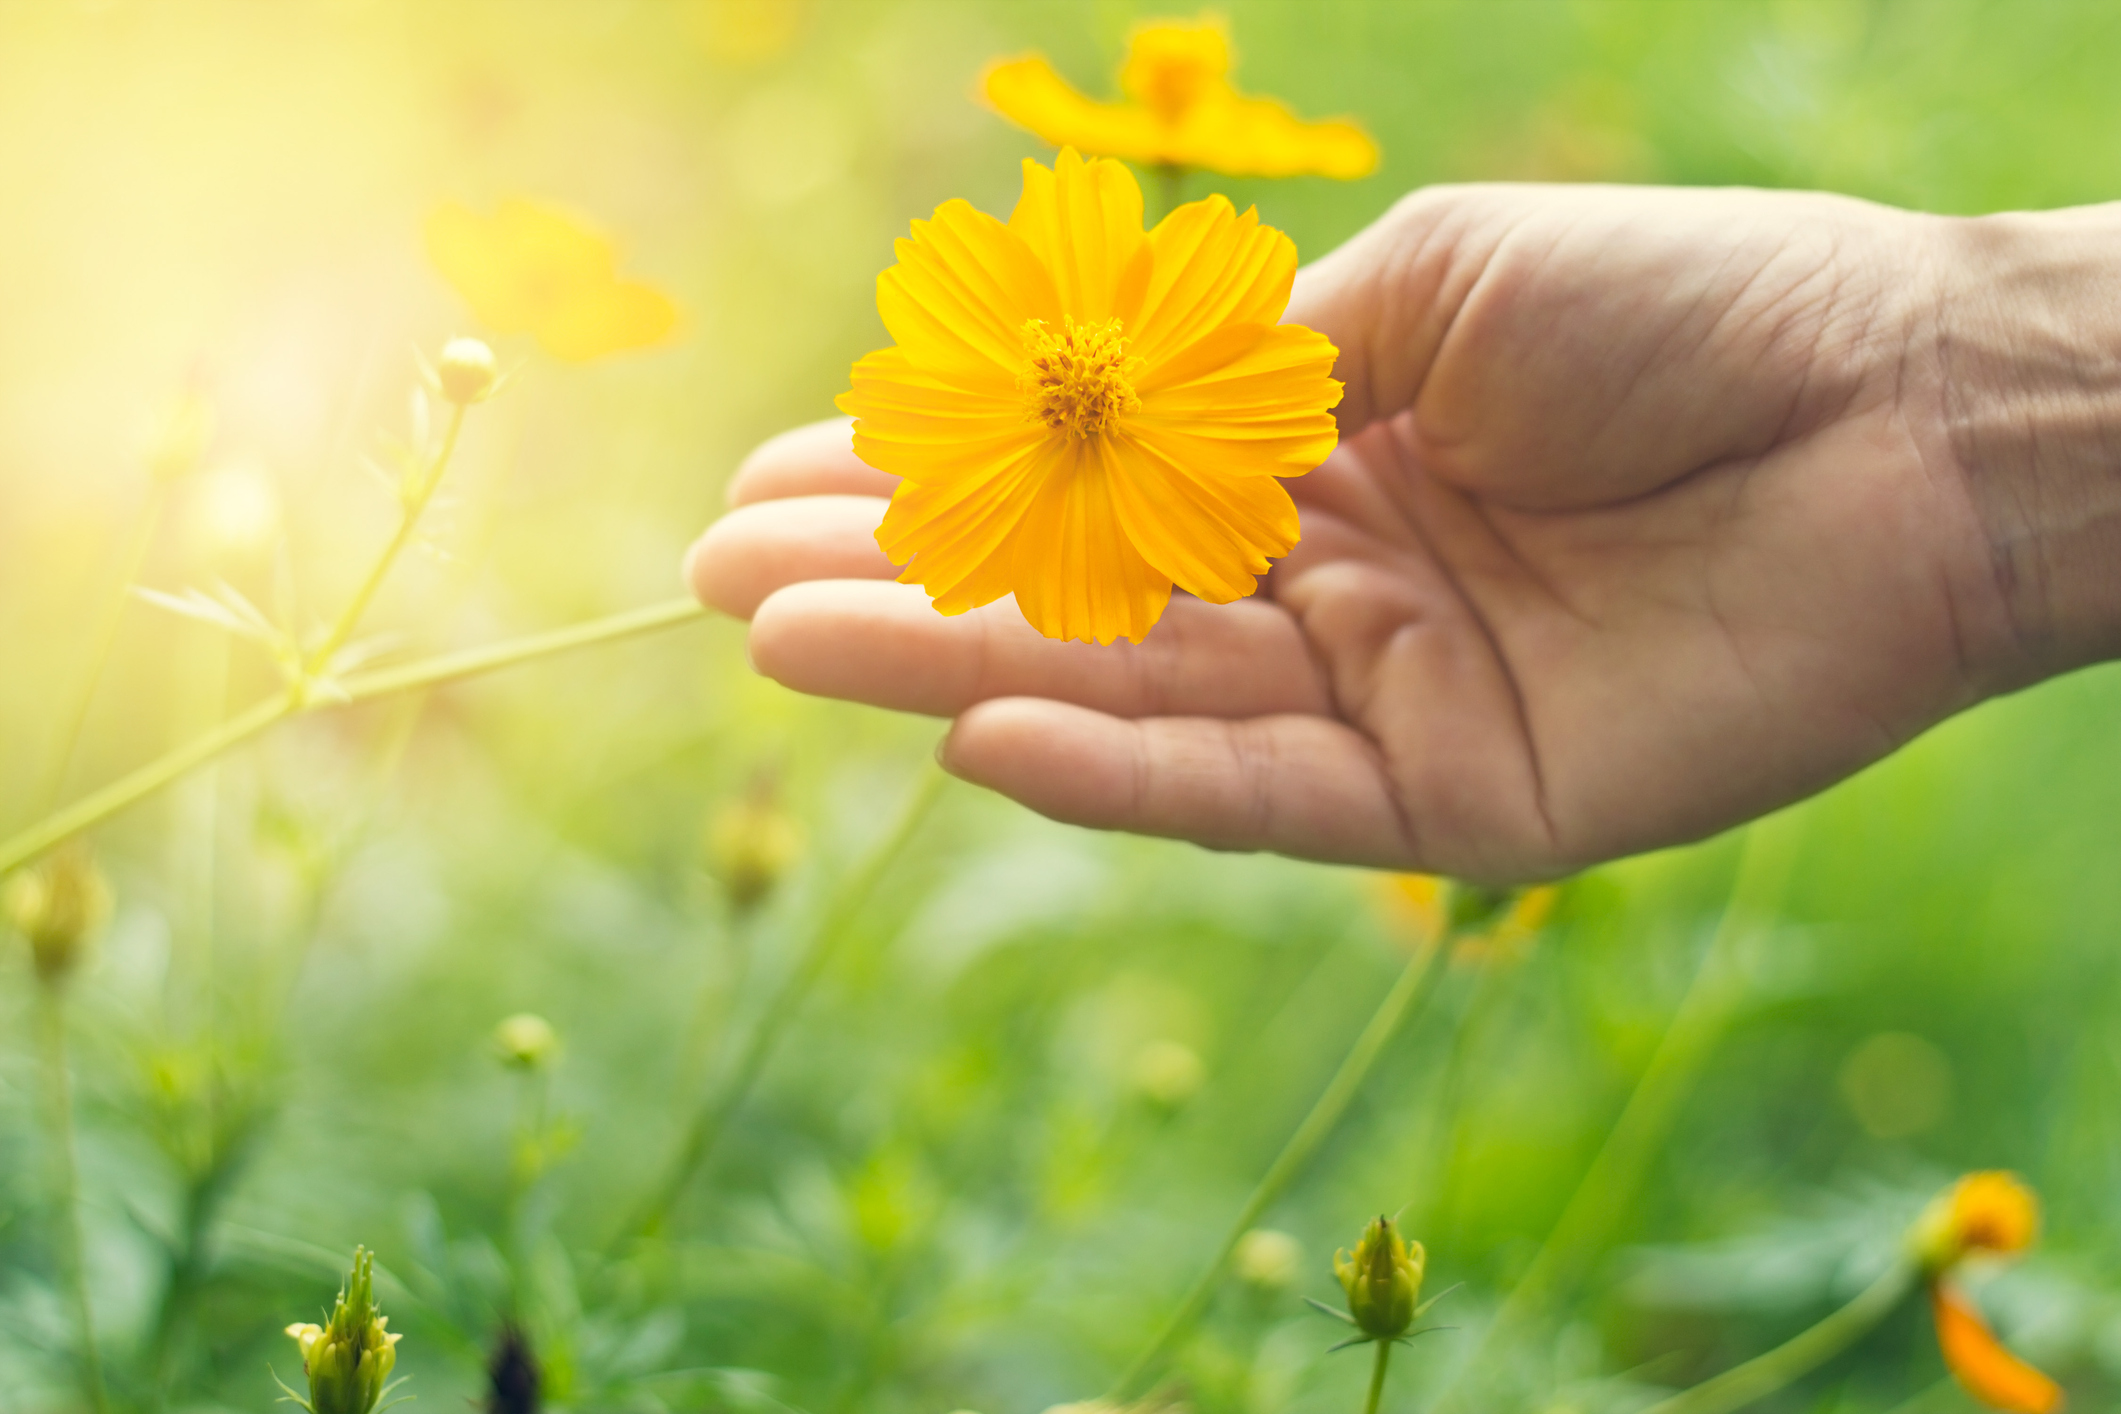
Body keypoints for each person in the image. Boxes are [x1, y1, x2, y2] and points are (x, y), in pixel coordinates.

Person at [685, 183, 2121, 883]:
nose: (1075, 372)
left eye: (1079, 368)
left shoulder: (1201, 433)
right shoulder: (1015, 446)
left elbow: (1234, 469)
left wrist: (1931, 372)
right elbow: (966, 468)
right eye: (1070, 370)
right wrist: (1940, 381)